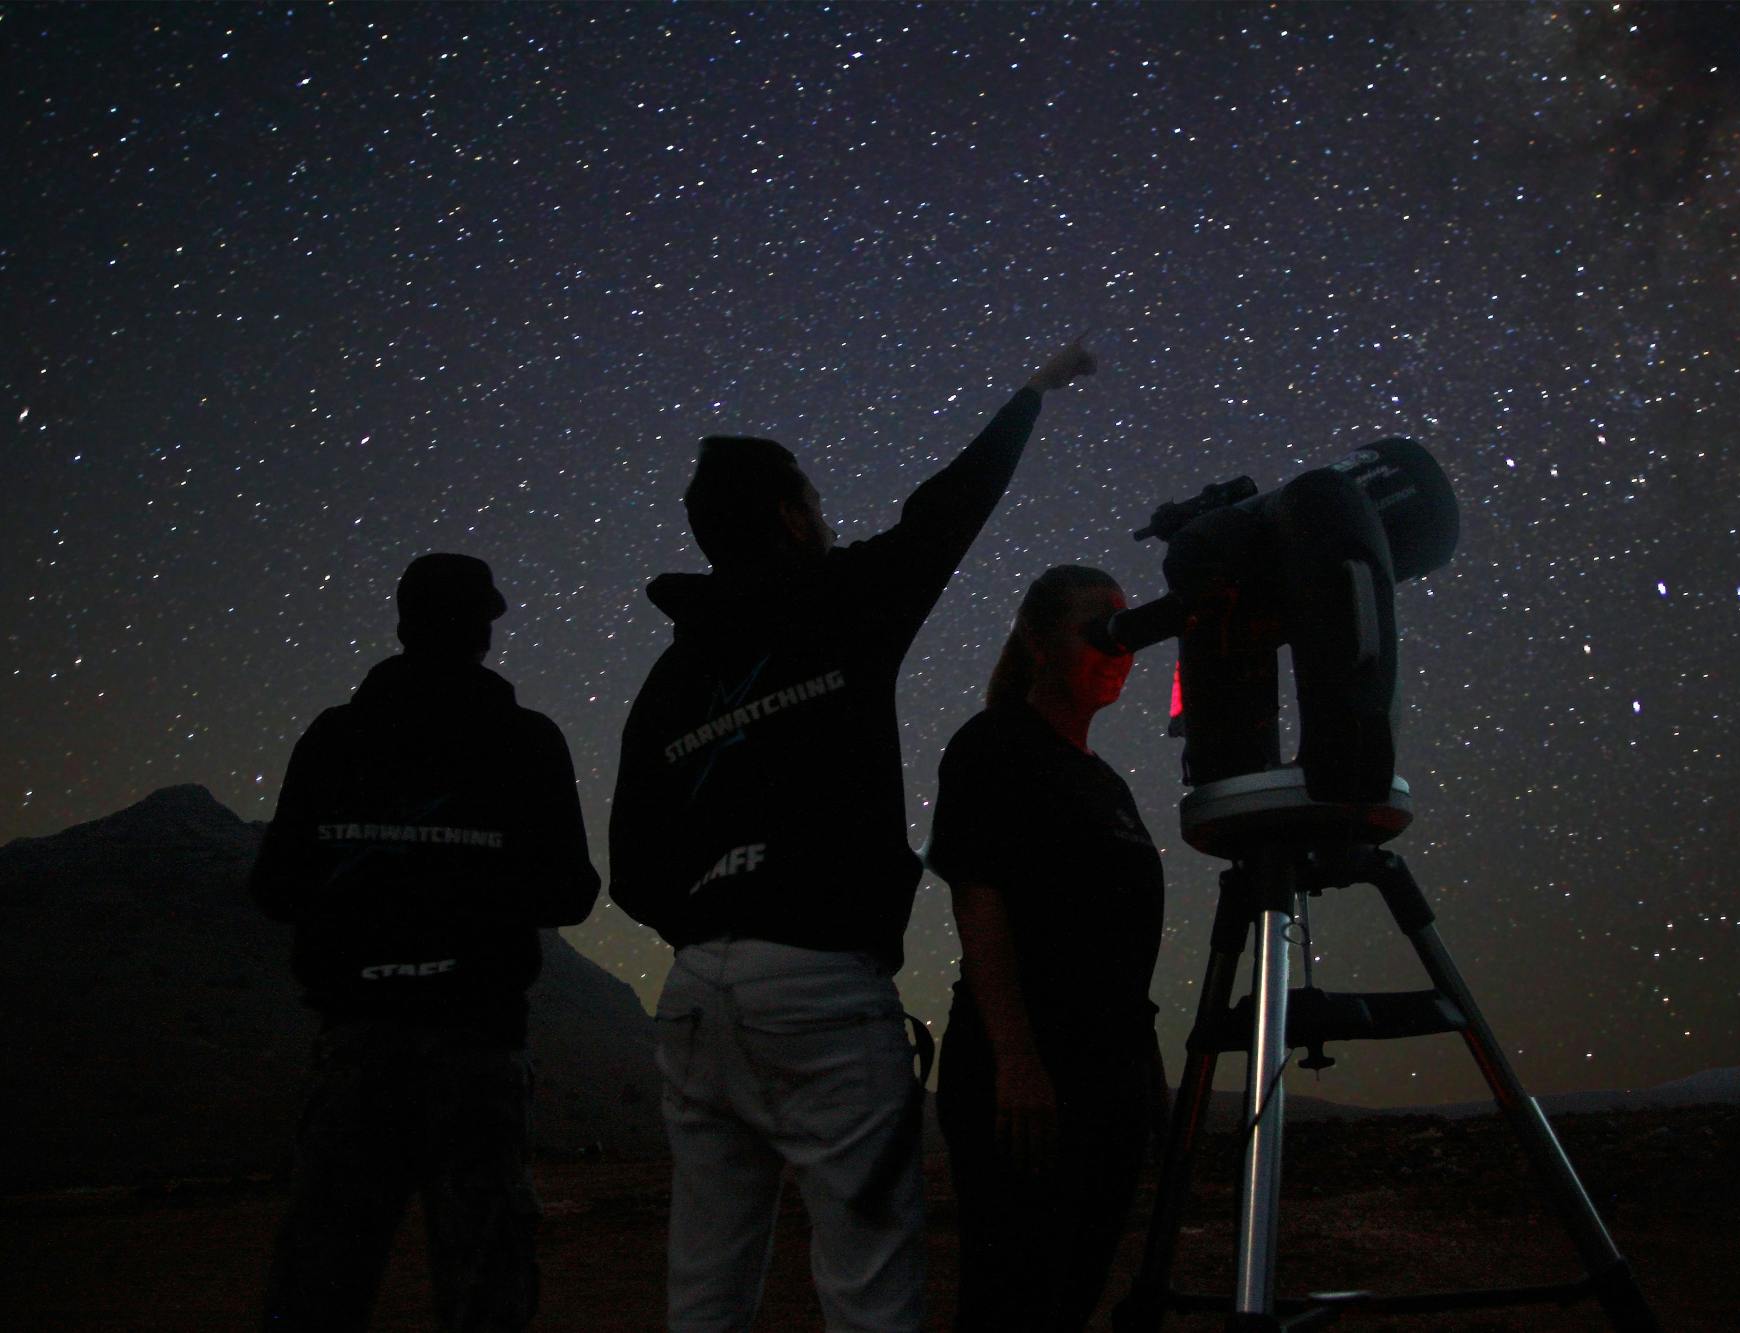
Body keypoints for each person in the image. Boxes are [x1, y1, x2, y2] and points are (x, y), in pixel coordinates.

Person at [608, 335, 1098, 1332]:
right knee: (867, 1283)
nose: (826, 520)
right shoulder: (843, 598)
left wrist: (720, 913)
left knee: (705, 1284)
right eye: (816, 505)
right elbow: (945, 514)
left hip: (697, 992)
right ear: (791, 516)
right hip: (821, 985)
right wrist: (1028, 394)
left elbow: (630, 864)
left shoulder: (669, 679)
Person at [251, 552, 600, 1331]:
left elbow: (274, 886)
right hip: (476, 1040)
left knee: (320, 1279)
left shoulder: (333, 738)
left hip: (355, 1039)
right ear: (484, 631)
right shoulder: (526, 741)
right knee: (487, 1281)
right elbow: (571, 891)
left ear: (403, 623)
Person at [925, 564, 1167, 1333]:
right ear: (1036, 639)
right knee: (1012, 1297)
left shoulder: (1108, 784)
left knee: (1070, 1294)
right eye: (1097, 624)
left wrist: (1143, 1071)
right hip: (1031, 1076)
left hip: (1110, 1068)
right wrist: (1017, 1059)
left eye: (1126, 625)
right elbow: (981, 898)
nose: (1119, 641)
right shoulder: (994, 744)